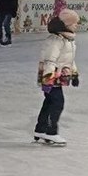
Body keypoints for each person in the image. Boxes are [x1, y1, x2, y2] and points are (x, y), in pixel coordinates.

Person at [33, 9, 81, 146]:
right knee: (57, 103)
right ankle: (51, 132)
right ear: (66, 25)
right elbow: (49, 61)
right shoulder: (56, 40)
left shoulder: (68, 39)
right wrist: (47, 80)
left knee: (49, 103)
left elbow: (69, 60)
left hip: (58, 76)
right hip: (51, 76)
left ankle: (40, 129)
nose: (76, 25)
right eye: (74, 23)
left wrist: (74, 74)